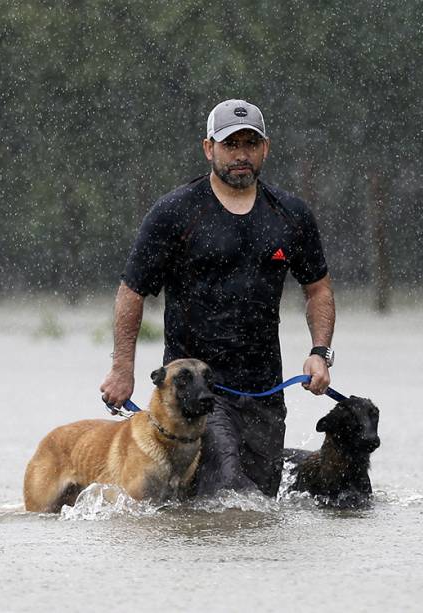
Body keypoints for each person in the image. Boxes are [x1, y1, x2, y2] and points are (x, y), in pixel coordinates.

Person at [100, 99, 335, 497]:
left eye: (250, 144)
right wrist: (123, 368)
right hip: (194, 389)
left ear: (266, 148)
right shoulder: (174, 212)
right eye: (230, 144)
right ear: (209, 148)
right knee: (228, 492)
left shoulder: (291, 215)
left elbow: (319, 289)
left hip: (264, 390)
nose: (241, 154)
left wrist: (319, 352)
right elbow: (132, 291)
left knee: (260, 504)